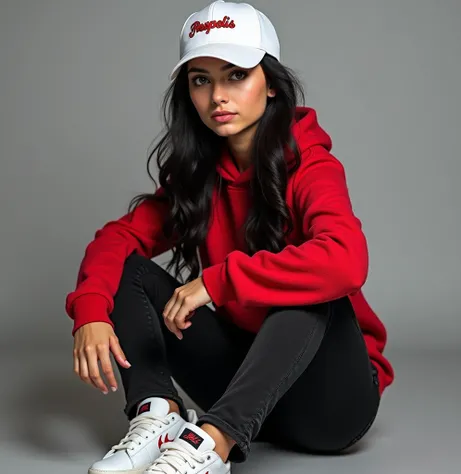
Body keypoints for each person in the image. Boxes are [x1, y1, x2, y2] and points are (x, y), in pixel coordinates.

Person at [65, 1, 395, 473]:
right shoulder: (199, 180)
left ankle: (212, 446)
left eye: (236, 75)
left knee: (312, 285)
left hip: (330, 406)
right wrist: (90, 310)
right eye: (201, 79)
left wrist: (219, 282)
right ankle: (158, 414)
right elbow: (118, 238)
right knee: (126, 268)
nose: (218, 95)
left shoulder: (312, 165)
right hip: (245, 390)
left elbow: (345, 261)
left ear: (272, 86)